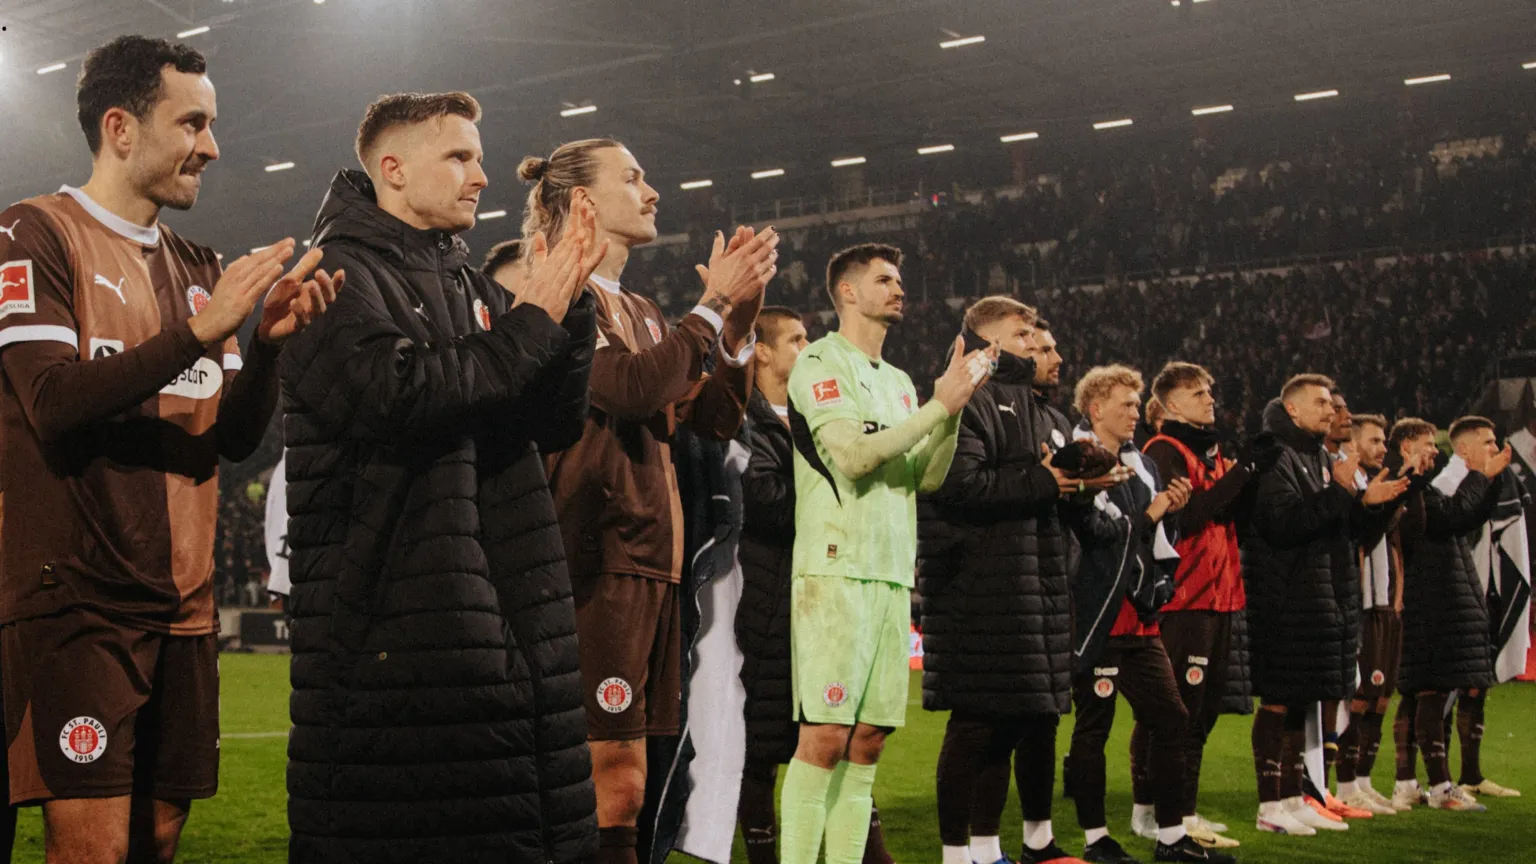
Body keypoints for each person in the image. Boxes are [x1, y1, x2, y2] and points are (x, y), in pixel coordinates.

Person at [0, 35, 335, 864]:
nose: (212, 146)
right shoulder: (32, 234)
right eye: (192, 123)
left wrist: (265, 348)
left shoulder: (197, 266)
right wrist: (202, 328)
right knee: (93, 850)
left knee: (155, 838)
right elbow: (51, 402)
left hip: (184, 610)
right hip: (78, 603)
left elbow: (232, 438)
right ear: (120, 127)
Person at [280, 91, 604, 862]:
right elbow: (402, 395)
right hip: (398, 635)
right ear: (392, 169)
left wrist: (572, 305)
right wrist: (538, 312)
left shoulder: (465, 281)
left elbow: (550, 420)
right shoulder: (333, 278)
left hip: (500, 615)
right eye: (459, 156)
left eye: (480, 157)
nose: (482, 176)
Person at [528, 138, 777, 864]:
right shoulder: (559, 287)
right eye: (632, 177)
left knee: (632, 780)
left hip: (648, 561)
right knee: (609, 779)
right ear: (582, 202)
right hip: (595, 556)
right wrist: (713, 302)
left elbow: (711, 418)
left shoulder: (636, 305)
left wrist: (735, 330)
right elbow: (629, 389)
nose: (652, 190)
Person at [779, 243, 990, 864]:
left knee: (867, 741)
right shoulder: (820, 360)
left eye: (899, 279)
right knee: (824, 736)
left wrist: (950, 415)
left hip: (893, 574)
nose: (899, 288)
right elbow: (851, 456)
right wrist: (938, 407)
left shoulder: (898, 384)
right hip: (835, 572)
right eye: (884, 279)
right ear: (846, 291)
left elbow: (925, 476)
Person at [922, 297, 1127, 864]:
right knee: (976, 723)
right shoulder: (969, 398)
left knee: (1015, 720)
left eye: (1037, 335)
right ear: (990, 341)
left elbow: (1047, 490)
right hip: (979, 586)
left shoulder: (1038, 410)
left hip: (1034, 585)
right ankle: (955, 855)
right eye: (1024, 334)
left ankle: (988, 850)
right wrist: (1043, 479)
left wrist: (1080, 482)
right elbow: (958, 486)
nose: (1037, 344)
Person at [735, 306, 894, 864]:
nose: (811, 348)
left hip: (833, 594)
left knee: (847, 735)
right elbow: (766, 502)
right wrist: (843, 496)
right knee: (763, 745)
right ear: (764, 351)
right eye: (798, 339)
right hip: (772, 596)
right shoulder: (742, 420)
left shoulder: (823, 412)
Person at [1062, 365, 1222, 864]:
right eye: (1127, 404)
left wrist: (1170, 510)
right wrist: (1153, 513)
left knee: (1172, 719)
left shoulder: (1143, 465)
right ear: (1096, 409)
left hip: (1141, 617)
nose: (1137, 412)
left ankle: (1170, 837)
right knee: (1095, 727)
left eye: (1136, 403)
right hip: (1100, 617)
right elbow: (1097, 534)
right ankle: (1095, 840)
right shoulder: (1080, 460)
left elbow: (1152, 539)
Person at [1243, 375, 1407, 837]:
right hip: (1284, 599)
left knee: (1302, 703)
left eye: (1330, 404)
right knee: (1279, 702)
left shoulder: (1315, 456)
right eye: (1319, 403)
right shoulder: (1275, 456)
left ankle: (1295, 797)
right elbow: (1283, 526)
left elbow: (1337, 529)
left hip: (1320, 598)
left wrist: (1365, 504)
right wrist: (1339, 491)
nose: (1330, 411)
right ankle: (1269, 805)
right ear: (1291, 410)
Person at [1135, 362, 1267, 850]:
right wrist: (1243, 473)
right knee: (1176, 711)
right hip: (1185, 598)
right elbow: (1186, 517)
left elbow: (1228, 516)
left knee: (1203, 711)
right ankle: (1156, 812)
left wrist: (1244, 478)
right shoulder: (1163, 451)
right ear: (1170, 405)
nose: (1210, 398)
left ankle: (1180, 809)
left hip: (1221, 594)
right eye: (1197, 393)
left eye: (1209, 391)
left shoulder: (1206, 455)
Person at [1396, 416, 1512, 813]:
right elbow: (1450, 518)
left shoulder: (1426, 487)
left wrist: (1489, 481)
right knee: (1426, 692)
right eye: (1428, 444)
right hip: (1426, 601)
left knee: (1422, 693)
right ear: (1406, 448)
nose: (1435, 451)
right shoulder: (1418, 489)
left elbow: (1466, 518)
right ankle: (1438, 786)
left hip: (1437, 597)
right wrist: (1481, 477)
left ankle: (1407, 784)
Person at [1332, 414, 1412, 816]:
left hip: (1383, 605)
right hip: (1360, 605)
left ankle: (1362, 780)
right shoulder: (1352, 486)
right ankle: (1345, 785)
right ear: (1355, 443)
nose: (1383, 448)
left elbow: (1393, 546)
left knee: (1379, 699)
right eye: (1376, 441)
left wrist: (1396, 597)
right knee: (1359, 699)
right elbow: (1359, 543)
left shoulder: (1372, 483)